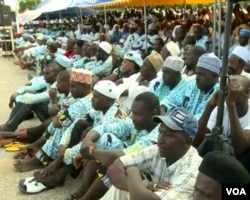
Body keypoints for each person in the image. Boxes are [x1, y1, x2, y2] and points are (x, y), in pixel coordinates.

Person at [65, 92, 161, 200]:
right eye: (133, 113)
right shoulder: (137, 124)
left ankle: (85, 197)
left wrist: (90, 153)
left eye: (138, 114)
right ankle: (83, 191)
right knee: (103, 142)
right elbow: (103, 128)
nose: (134, 117)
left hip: (151, 180)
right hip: (133, 168)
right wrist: (87, 141)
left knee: (114, 158)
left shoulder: (158, 135)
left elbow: (122, 157)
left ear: (154, 112)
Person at [100, 107, 202, 200]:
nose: (160, 140)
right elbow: (114, 168)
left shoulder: (192, 170)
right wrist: (146, 188)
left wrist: (132, 171)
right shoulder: (157, 150)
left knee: (132, 182)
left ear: (187, 141)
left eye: (169, 135)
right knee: (122, 189)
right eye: (160, 132)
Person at [14, 69, 93, 172]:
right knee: (60, 120)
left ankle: (42, 158)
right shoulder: (78, 96)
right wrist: (59, 111)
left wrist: (59, 112)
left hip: (81, 136)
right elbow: (55, 110)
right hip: (76, 131)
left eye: (73, 86)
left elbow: (57, 122)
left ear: (85, 87)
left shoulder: (83, 103)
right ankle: (36, 147)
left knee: (61, 125)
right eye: (70, 85)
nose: (70, 89)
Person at [193, 75, 250, 172]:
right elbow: (196, 142)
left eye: (235, 87)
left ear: (247, 93)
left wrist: (231, 105)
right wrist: (210, 107)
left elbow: (240, 149)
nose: (230, 91)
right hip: (219, 158)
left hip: (240, 164)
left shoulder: (231, 106)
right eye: (227, 87)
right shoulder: (221, 108)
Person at [0, 70, 72, 144]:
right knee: (28, 99)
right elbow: (31, 88)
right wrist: (19, 95)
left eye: (59, 83)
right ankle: (9, 127)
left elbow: (59, 117)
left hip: (57, 120)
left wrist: (53, 99)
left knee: (31, 102)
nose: (56, 86)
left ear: (69, 84)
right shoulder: (59, 90)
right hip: (54, 117)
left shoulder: (70, 97)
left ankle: (9, 131)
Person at [0, 63, 65, 132]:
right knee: (28, 96)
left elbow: (35, 99)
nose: (44, 76)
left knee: (30, 101)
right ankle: (9, 124)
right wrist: (17, 93)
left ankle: (8, 127)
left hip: (55, 117)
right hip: (49, 110)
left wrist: (16, 98)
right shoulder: (49, 82)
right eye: (44, 73)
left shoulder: (57, 87)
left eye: (47, 74)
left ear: (56, 75)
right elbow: (28, 88)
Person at [161, 53, 221, 119]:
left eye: (202, 74)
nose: (197, 77)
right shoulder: (192, 85)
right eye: (197, 73)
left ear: (215, 76)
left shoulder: (219, 93)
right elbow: (170, 99)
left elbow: (202, 119)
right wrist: (164, 108)